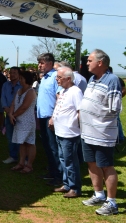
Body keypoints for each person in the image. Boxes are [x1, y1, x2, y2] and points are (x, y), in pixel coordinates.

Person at [80, 50, 122, 216]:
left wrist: (99, 121)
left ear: (100, 63)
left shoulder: (112, 80)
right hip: (87, 132)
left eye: (90, 60)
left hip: (102, 133)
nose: (87, 63)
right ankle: (98, 194)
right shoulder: (92, 79)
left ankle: (111, 203)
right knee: (91, 163)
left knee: (106, 166)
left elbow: (115, 108)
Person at [50, 66, 83, 199]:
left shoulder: (75, 92)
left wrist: (81, 129)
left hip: (69, 133)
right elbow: (58, 107)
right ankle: (67, 184)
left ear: (68, 79)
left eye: (59, 77)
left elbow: (80, 111)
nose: (57, 79)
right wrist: (53, 119)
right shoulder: (64, 91)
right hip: (60, 131)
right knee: (63, 158)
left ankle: (75, 187)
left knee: (70, 161)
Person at [36, 53, 61, 186]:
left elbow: (59, 98)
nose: (40, 65)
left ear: (50, 63)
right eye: (39, 63)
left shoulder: (55, 77)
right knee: (46, 146)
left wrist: (53, 117)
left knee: (53, 147)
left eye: (42, 63)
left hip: (51, 118)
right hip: (42, 116)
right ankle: (52, 171)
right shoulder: (44, 78)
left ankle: (58, 176)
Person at [8, 70, 37, 174]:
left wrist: (13, 115)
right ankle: (21, 163)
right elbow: (13, 104)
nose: (20, 80)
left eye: (21, 78)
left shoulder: (31, 92)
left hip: (27, 121)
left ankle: (29, 165)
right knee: (22, 143)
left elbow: (24, 106)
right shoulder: (19, 90)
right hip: (18, 121)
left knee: (29, 143)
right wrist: (10, 114)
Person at [1, 67, 21, 164]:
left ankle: (23, 158)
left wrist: (15, 112)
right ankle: (13, 156)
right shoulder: (5, 85)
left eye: (14, 72)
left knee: (21, 136)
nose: (12, 74)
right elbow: (3, 98)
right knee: (10, 136)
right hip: (8, 114)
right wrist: (7, 110)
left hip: (20, 114)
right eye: (11, 72)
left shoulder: (22, 85)